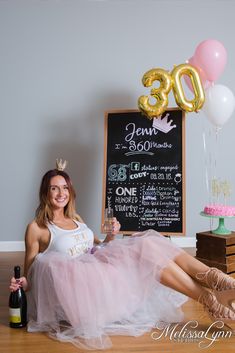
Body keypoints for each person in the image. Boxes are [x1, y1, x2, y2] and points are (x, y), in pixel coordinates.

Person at [10, 160, 235, 350]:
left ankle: (214, 289)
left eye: (65, 188)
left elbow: (97, 245)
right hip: (85, 289)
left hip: (100, 267)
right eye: (54, 188)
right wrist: (21, 283)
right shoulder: (37, 227)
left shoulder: (75, 218)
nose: (61, 193)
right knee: (147, 249)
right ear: (45, 193)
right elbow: (30, 270)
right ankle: (214, 289)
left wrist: (110, 236)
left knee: (149, 245)